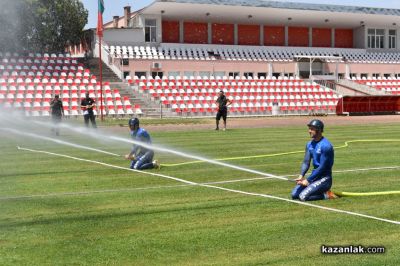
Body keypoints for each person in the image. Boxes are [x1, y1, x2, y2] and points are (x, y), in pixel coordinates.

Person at [291, 119, 338, 201]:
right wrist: (301, 176)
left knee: (303, 196)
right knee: (294, 195)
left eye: (312, 129)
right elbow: (306, 162)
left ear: (319, 130)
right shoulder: (309, 144)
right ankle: (318, 191)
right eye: (309, 128)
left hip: (324, 179)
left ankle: (326, 195)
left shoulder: (326, 146)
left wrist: (308, 180)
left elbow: (322, 167)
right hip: (314, 178)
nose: (309, 131)